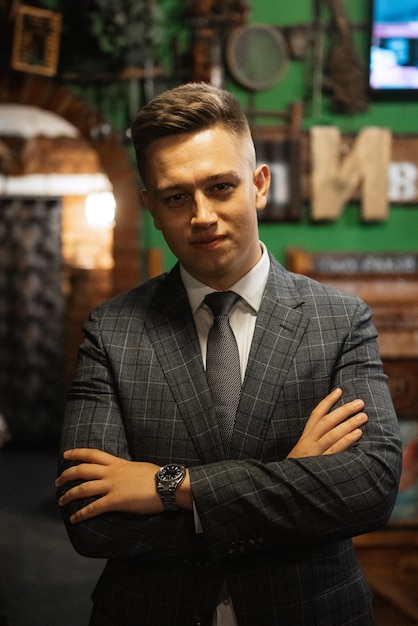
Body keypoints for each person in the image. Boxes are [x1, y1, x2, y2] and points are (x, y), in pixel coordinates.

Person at [56, 82, 402, 626]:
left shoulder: (339, 319)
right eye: (176, 197)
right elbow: (91, 519)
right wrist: (290, 480)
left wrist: (170, 486)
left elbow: (369, 489)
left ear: (259, 185)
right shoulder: (112, 330)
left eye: (221, 186)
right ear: (149, 206)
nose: (202, 215)